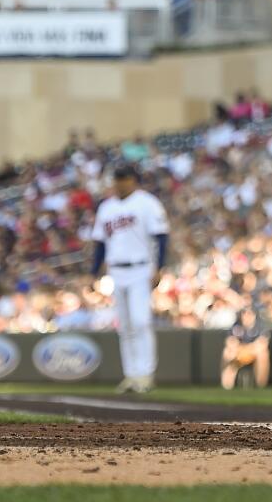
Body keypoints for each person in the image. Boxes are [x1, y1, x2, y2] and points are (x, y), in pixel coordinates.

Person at [88, 163, 169, 394]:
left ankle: (145, 374)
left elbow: (161, 237)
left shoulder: (148, 203)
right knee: (125, 326)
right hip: (116, 270)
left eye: (124, 178)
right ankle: (131, 375)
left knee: (141, 321)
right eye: (117, 178)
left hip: (141, 268)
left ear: (134, 180)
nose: (120, 182)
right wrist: (92, 273)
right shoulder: (106, 207)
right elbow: (100, 243)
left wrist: (159, 267)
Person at [221, 306, 270, 390]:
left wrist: (246, 350)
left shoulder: (260, 327)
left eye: (249, 313)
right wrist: (240, 350)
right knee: (228, 352)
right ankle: (227, 387)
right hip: (238, 354)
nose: (246, 316)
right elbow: (230, 341)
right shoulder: (236, 325)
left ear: (254, 315)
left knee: (263, 354)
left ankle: (260, 385)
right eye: (244, 313)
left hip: (252, 353)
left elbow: (262, 344)